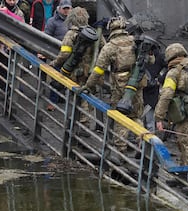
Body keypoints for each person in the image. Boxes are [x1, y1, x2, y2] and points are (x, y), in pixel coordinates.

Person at [83, 16, 151, 153]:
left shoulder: (110, 47)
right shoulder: (135, 42)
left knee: (121, 116)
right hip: (137, 82)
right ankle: (142, 143)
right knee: (136, 116)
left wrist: (87, 85)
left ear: (111, 29)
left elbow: (98, 70)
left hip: (120, 85)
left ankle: (120, 150)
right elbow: (151, 59)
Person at [48, 7, 104, 136]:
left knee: (77, 98)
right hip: (91, 72)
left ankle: (81, 126)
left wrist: (54, 63)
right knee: (88, 97)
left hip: (75, 72)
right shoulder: (95, 33)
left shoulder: (71, 34)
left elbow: (65, 53)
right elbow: (104, 50)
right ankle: (85, 123)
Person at [154, 43, 188, 167]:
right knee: (185, 143)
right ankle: (182, 175)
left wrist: (159, 117)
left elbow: (166, 95)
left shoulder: (174, 72)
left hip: (185, 116)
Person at [142, 47, 166, 133]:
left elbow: (168, 67)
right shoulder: (142, 55)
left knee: (149, 120)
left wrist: (159, 79)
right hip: (143, 90)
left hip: (151, 93)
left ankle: (149, 142)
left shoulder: (159, 57)